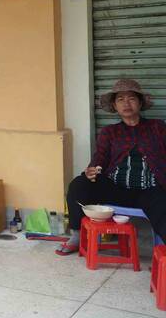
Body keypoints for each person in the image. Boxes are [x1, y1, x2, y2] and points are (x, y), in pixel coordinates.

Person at [56, 79, 166, 255]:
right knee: (78, 184)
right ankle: (76, 234)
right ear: (115, 106)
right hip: (116, 189)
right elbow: (100, 156)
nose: (126, 103)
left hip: (150, 190)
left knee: (163, 207)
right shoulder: (110, 132)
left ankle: (162, 254)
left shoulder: (157, 127)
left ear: (140, 103)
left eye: (131, 98)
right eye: (120, 99)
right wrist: (92, 169)